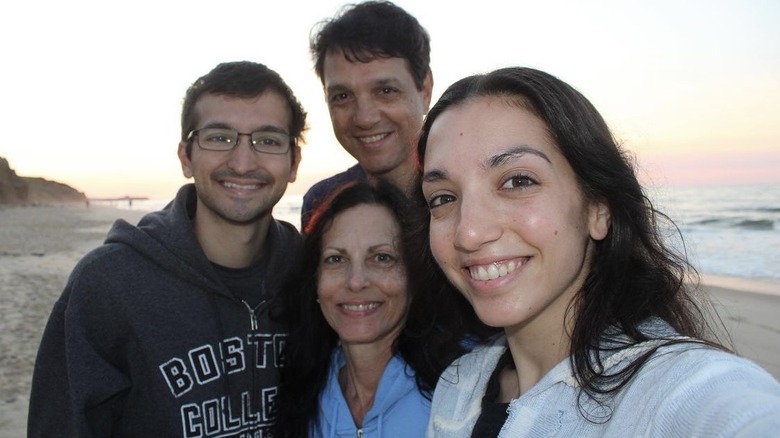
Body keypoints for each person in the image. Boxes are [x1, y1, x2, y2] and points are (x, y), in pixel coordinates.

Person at [414, 67, 780, 437]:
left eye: (518, 181)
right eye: (443, 198)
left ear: (598, 209)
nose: (469, 231)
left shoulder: (674, 389)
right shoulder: (458, 387)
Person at [28, 61, 307, 437]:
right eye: (220, 137)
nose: (243, 162)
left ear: (294, 163)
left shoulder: (313, 274)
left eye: (268, 141)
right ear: (186, 157)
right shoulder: (109, 285)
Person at [275, 182, 474, 437]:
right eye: (336, 259)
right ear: (314, 280)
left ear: (414, 277)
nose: (356, 282)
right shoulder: (303, 392)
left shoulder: (462, 389)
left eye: (382, 258)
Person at [300, 0, 434, 229]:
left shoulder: (466, 193)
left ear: (425, 90)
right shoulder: (323, 203)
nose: (364, 118)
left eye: (385, 91)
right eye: (342, 96)